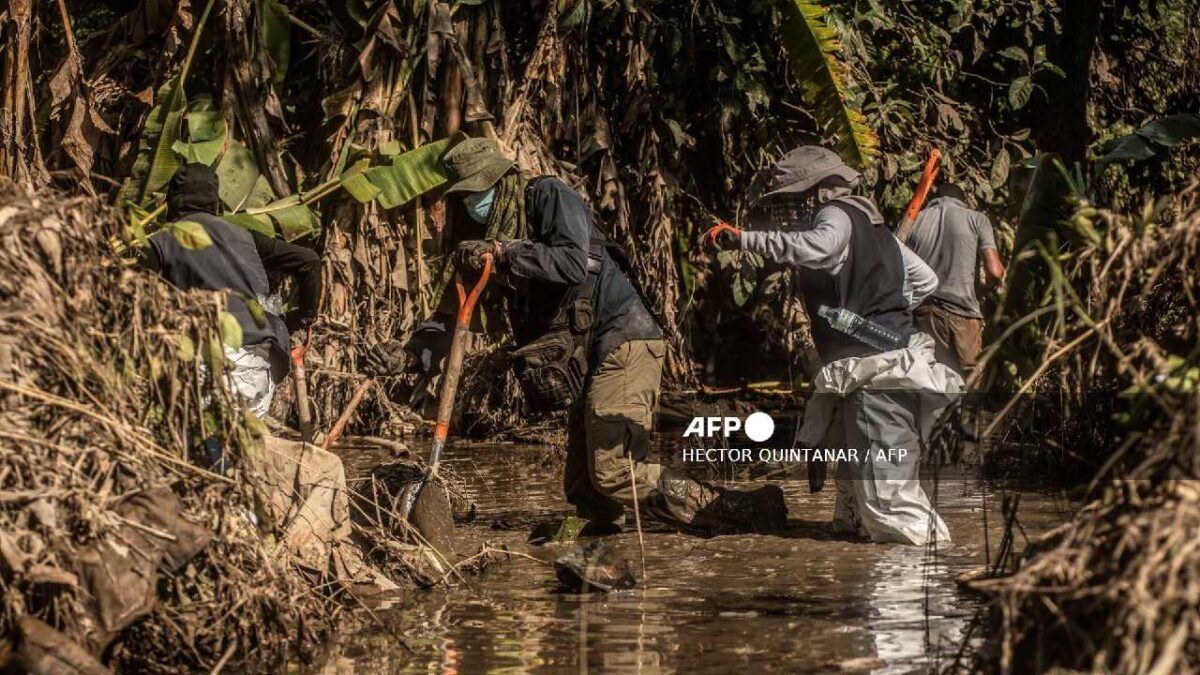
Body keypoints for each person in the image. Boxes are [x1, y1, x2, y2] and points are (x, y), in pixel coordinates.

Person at [396, 137, 785, 535]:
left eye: (479, 193)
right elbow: (456, 314)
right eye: (464, 197)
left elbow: (571, 263)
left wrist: (507, 252)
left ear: (502, 180)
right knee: (588, 493)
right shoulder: (485, 239)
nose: (471, 205)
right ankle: (603, 564)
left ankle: (741, 512)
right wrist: (411, 354)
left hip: (623, 339)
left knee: (614, 471)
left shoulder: (546, 196)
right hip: (587, 357)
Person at [702, 145, 961, 545]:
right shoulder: (876, 229)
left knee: (891, 508)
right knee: (853, 504)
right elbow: (925, 279)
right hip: (881, 366)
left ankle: (923, 592)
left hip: (876, 377)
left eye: (790, 200)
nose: (787, 211)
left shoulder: (835, 216)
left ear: (817, 191)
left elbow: (818, 248)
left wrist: (743, 239)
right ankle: (863, 588)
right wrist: (882, 314)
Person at [138, 163, 321, 418]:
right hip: (258, 366)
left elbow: (134, 301)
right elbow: (309, 261)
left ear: (173, 201)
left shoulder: (160, 241)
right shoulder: (246, 237)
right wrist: (302, 317)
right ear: (214, 202)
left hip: (203, 365)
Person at [902, 183, 1005, 379]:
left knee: (934, 378)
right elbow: (996, 271)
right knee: (971, 380)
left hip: (923, 314)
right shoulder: (977, 219)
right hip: (962, 314)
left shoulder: (915, 221)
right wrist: (982, 291)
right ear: (962, 201)